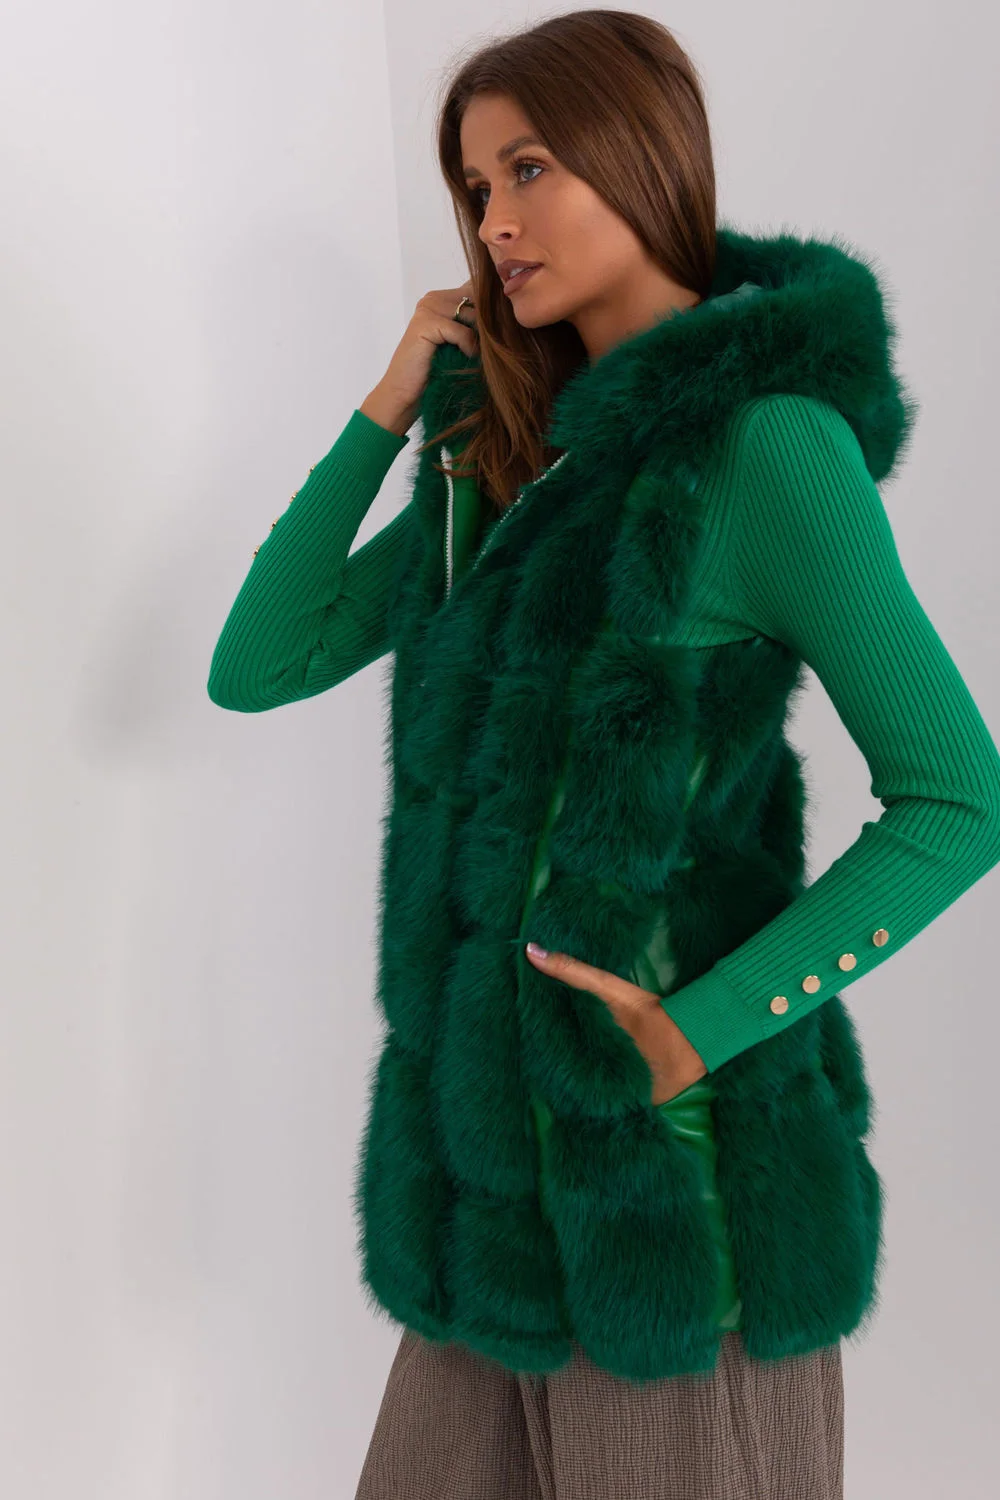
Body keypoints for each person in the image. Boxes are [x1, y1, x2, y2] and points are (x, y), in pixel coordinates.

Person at [207, 11, 1000, 1498]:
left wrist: (703, 1027)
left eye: (528, 169)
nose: (494, 223)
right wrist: (392, 403)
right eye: (473, 189)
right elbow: (260, 664)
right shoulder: (506, 462)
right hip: (482, 1222)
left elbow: (960, 797)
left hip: (673, 1220)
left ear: (642, 159)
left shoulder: (766, 446)